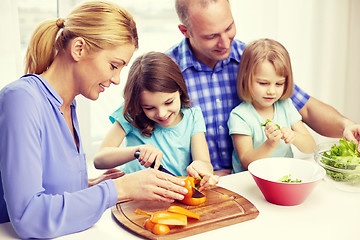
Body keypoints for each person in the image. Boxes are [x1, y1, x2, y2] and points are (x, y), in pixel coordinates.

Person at [0, 1, 188, 239]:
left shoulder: (68, 105)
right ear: (78, 49)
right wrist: (117, 190)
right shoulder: (21, 99)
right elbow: (28, 216)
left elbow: (49, 185)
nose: (118, 79)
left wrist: (91, 185)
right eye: (113, 65)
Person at [166, 0, 360, 176]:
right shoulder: (166, 71)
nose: (225, 43)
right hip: (196, 183)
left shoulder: (253, 60)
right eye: (211, 36)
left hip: (253, 180)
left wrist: (346, 126)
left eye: (229, 27)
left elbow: (305, 107)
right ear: (185, 31)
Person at [94, 51, 219, 188]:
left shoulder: (193, 117)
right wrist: (137, 151)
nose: (162, 114)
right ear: (139, 105)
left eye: (168, 102)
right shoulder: (131, 114)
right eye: (149, 108)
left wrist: (201, 167)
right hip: (134, 195)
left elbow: (204, 162)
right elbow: (100, 159)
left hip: (174, 194)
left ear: (180, 90)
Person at [228, 39, 316, 172]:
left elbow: (310, 146)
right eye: (263, 83)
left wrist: (294, 136)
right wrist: (269, 144)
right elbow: (246, 161)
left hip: (283, 177)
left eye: (279, 84)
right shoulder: (240, 116)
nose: (272, 91)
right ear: (246, 78)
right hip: (248, 181)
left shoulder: (285, 106)